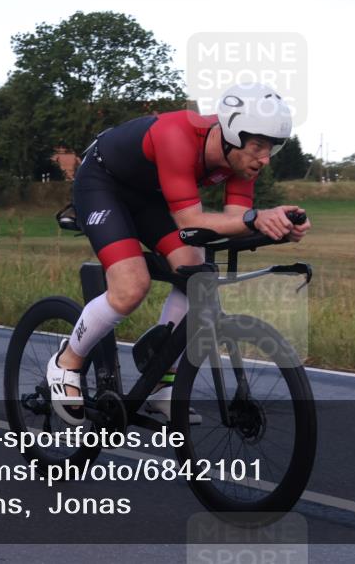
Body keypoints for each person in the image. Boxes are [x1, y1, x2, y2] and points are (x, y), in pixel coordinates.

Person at [47, 82, 312, 425]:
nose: (264, 158)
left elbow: (234, 225)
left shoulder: (242, 160)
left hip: (149, 197)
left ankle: (160, 379)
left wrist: (276, 228)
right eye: (258, 146)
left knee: (195, 271)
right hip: (103, 184)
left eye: (272, 148)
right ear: (231, 133)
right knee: (131, 286)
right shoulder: (178, 135)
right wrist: (256, 219)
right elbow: (191, 222)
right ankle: (66, 361)